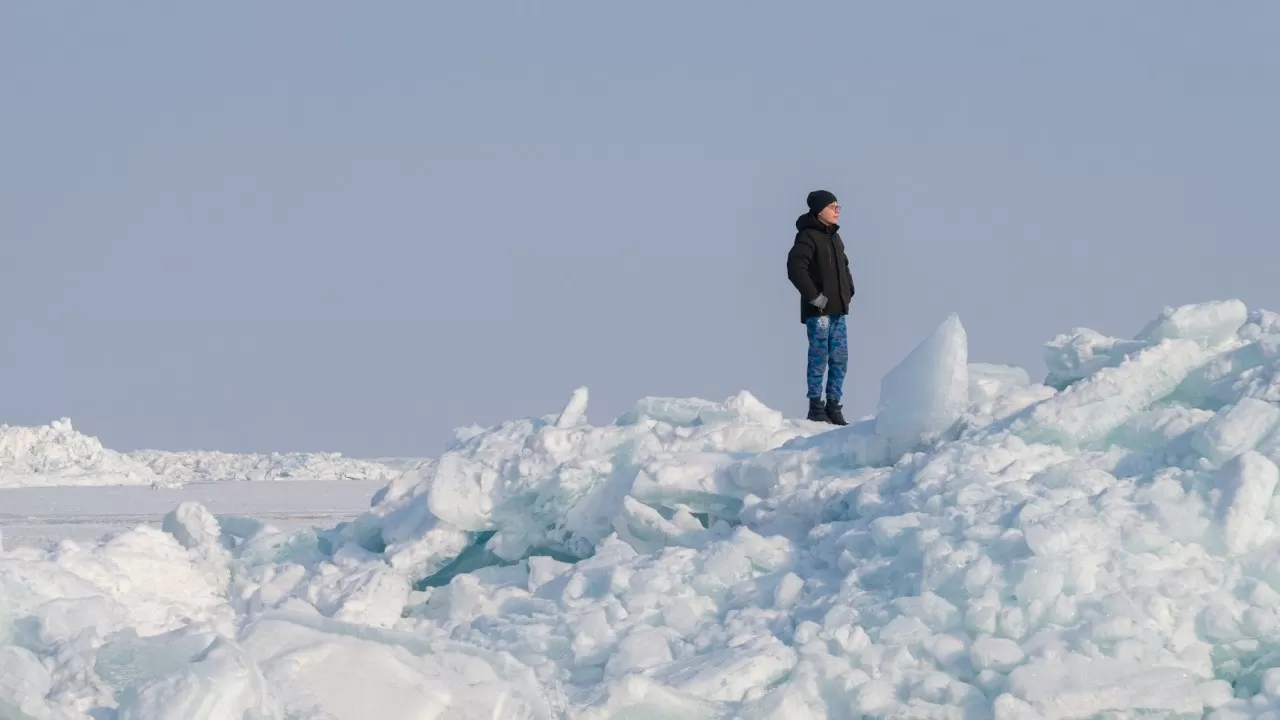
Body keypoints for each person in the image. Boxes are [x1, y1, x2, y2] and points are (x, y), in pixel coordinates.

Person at [786, 190, 855, 425]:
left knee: (840, 358)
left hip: (838, 310)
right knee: (819, 357)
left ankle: (833, 406)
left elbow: (844, 266)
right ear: (819, 210)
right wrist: (814, 297)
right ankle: (816, 407)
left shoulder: (835, 237)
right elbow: (796, 268)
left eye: (838, 206)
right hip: (819, 311)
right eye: (832, 206)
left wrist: (849, 290)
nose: (837, 210)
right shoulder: (807, 236)